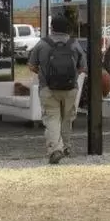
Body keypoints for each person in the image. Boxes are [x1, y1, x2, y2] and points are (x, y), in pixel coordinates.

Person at [28, 15, 87, 164]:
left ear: (52, 27)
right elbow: (82, 67)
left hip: (48, 89)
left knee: (52, 118)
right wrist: (71, 75)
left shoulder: (42, 43)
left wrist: (43, 74)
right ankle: (66, 147)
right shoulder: (74, 44)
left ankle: (55, 149)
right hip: (70, 89)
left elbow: (32, 65)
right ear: (67, 28)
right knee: (67, 118)